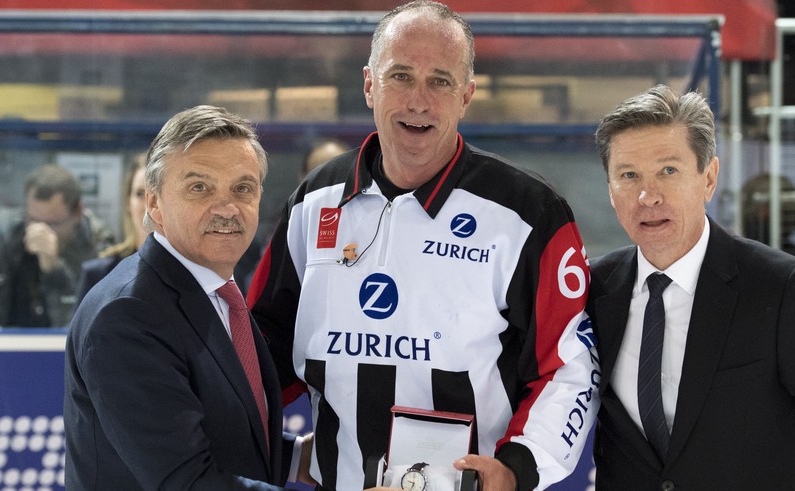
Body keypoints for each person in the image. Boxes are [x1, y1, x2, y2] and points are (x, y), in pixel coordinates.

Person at [248, 2, 599, 490]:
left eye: (440, 81)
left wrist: (520, 466)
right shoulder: (315, 200)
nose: (419, 100)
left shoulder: (527, 214)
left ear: (467, 96)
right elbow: (263, 343)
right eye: (401, 77)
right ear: (369, 84)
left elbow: (569, 367)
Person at [588, 84, 795, 489]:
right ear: (611, 192)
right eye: (629, 176)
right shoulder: (591, 291)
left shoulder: (781, 288)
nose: (648, 196)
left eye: (669, 170)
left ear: (709, 178)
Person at [64, 105, 311, 490]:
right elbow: (185, 480)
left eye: (242, 188)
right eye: (200, 188)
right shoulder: (128, 315)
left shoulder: (217, 293)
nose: (228, 208)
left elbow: (217, 430)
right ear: (154, 204)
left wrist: (303, 458)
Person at [0, 163, 115, 327]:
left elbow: (79, 328)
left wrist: (53, 270)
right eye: (33, 219)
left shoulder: (100, 249)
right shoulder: (10, 239)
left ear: (78, 213)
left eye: (52, 224)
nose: (39, 231)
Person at [75, 154, 148, 303]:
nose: (149, 204)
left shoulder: (194, 272)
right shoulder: (99, 275)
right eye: (140, 194)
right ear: (128, 202)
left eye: (158, 194)